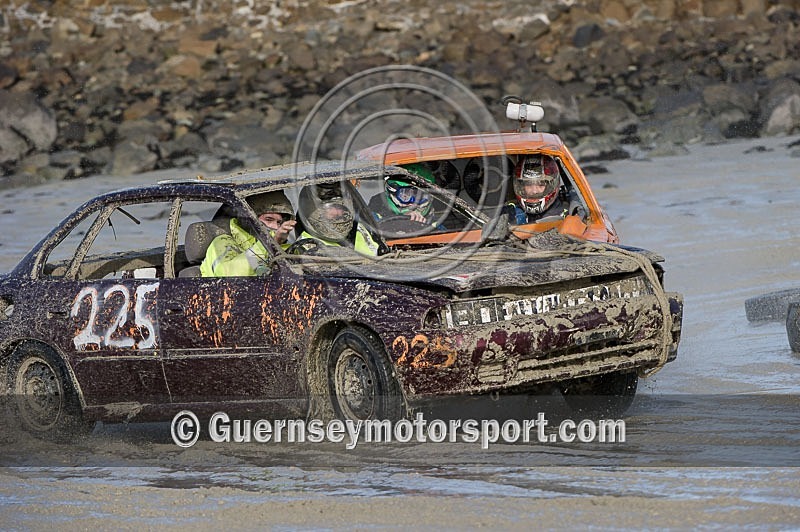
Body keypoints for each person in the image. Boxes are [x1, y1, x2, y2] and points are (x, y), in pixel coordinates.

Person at [200, 190, 296, 277]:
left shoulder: (283, 247)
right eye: (269, 219)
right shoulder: (222, 243)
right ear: (250, 219)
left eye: (279, 222)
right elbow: (229, 275)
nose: (275, 227)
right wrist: (270, 244)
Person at [296, 182, 381, 256]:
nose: (338, 213)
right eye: (331, 208)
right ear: (311, 211)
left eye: (341, 207)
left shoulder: (362, 232)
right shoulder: (303, 249)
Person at [368, 163, 437, 224]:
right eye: (406, 195)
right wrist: (400, 222)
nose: (413, 204)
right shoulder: (372, 217)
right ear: (391, 192)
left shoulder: (436, 224)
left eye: (420, 197)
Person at [509, 154, 567, 224]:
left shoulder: (567, 217)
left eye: (540, 185)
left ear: (553, 185)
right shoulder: (511, 214)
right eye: (528, 184)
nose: (534, 191)